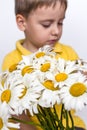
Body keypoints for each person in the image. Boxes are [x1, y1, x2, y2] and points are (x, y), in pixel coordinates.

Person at [2, 0, 86, 130]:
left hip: (69, 125)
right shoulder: (12, 62)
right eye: (46, 25)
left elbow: (80, 87)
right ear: (22, 22)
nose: (56, 31)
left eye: (60, 23)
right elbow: (16, 111)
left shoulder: (67, 53)